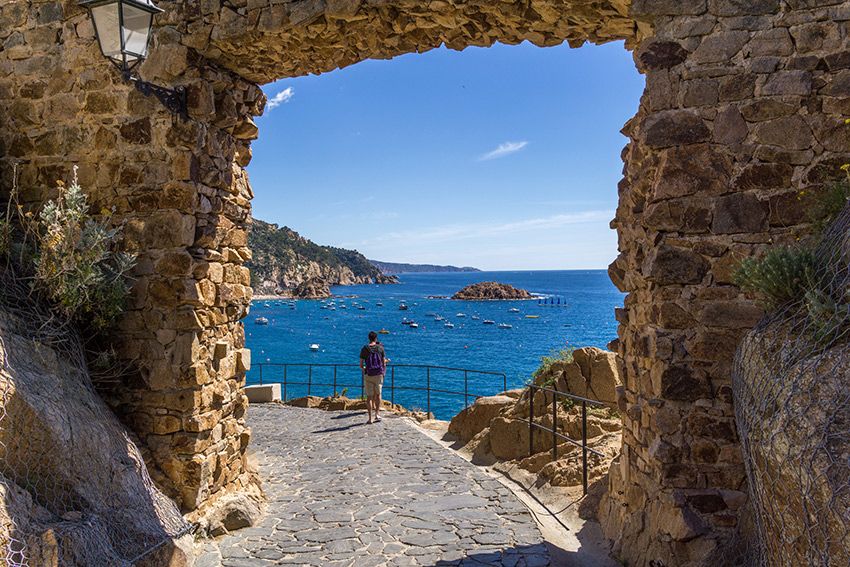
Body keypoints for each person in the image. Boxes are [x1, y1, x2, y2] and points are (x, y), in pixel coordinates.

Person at [360, 331, 388, 424]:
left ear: (369, 338)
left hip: (369, 375)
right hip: (378, 374)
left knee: (369, 397)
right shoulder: (380, 348)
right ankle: (377, 414)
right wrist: (383, 372)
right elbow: (383, 363)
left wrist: (365, 369)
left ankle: (370, 418)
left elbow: (361, 365)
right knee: (378, 395)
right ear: (376, 338)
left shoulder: (365, 348)